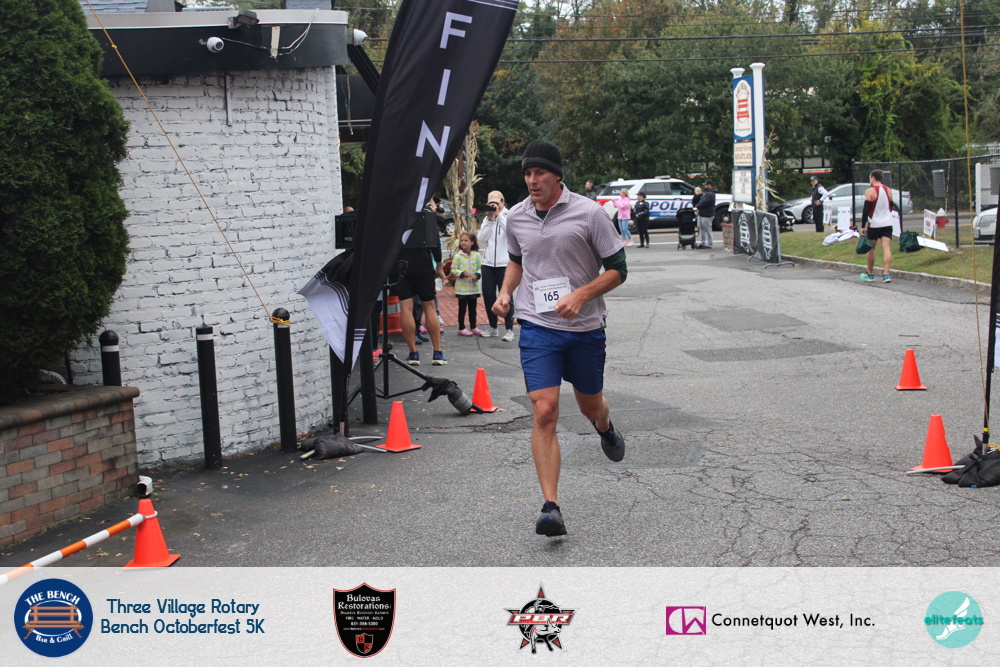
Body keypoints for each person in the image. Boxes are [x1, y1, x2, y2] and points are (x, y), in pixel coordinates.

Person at [493, 139, 628, 538]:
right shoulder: (516, 217)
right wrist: (505, 293)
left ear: (557, 176)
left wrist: (581, 295)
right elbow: (517, 261)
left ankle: (605, 426)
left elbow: (618, 268)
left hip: (584, 328)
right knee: (544, 409)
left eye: (539, 173)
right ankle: (550, 506)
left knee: (590, 405)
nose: (532, 180)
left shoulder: (589, 213)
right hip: (537, 325)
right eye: (527, 173)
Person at [391, 199, 448, 365]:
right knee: (429, 306)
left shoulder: (394, 214)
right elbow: (435, 243)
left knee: (406, 308)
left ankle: (413, 354)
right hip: (422, 263)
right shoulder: (426, 213)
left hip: (400, 264)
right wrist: (439, 266)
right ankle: (437, 352)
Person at [479, 190, 515, 341]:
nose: (494, 206)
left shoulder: (509, 215)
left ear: (502, 202)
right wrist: (489, 220)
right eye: (491, 203)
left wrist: (499, 216)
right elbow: (481, 238)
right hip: (487, 263)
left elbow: (511, 233)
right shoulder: (488, 218)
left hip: (504, 264)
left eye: (496, 202)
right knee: (488, 295)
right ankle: (493, 327)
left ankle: (509, 329)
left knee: (506, 296)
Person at [859, 169, 894, 283]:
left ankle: (870, 274)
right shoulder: (888, 190)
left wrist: (863, 226)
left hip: (874, 224)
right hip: (887, 223)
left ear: (873, 178)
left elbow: (866, 209)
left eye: (870, 178)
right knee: (886, 248)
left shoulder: (870, 191)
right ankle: (886, 274)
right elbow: (891, 206)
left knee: (871, 249)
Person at [450, 231, 483, 336]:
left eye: (466, 240)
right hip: (462, 289)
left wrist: (477, 275)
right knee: (462, 309)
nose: (463, 242)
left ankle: (473, 327)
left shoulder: (477, 255)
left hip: (474, 288)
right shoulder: (458, 256)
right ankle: (461, 328)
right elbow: (453, 269)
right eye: (462, 240)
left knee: (473, 309)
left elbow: (480, 267)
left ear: (472, 242)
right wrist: (462, 273)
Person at [695, 180, 717, 249]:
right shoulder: (707, 193)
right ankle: (703, 243)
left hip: (707, 214)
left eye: (706, 185)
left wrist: (697, 206)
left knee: (708, 229)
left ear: (709, 185)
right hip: (702, 213)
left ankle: (710, 244)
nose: (705, 186)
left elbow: (704, 202)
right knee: (701, 228)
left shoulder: (710, 194)